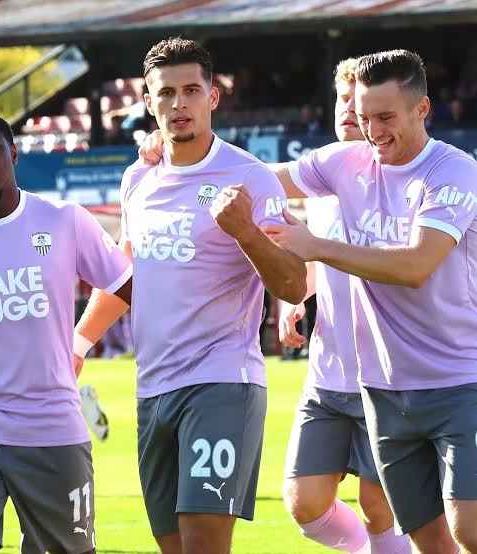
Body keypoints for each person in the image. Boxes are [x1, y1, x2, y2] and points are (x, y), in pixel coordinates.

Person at [74, 37, 306, 554]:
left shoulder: (251, 177)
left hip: (221, 380)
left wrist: (246, 231)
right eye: (166, 93)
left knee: (204, 544)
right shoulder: (138, 177)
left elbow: (292, 283)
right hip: (153, 386)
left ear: (213, 97)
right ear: (148, 100)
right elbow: (127, 274)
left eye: (191, 90)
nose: (179, 104)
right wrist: (78, 343)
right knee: (173, 545)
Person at [265, 50, 477, 554]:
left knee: (469, 528)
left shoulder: (453, 171)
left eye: (385, 117)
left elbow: (416, 267)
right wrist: (176, 155)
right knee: (428, 539)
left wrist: (316, 247)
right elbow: (260, 179)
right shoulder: (344, 162)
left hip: (460, 380)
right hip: (383, 390)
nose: (373, 131)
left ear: (421, 109)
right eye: (364, 118)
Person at [0, 110, 132, 554]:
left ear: (13, 153)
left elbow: (126, 286)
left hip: (51, 428)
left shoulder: (64, 220)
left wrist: (81, 341)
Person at [278, 58, 411, 553]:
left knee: (381, 506)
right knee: (304, 502)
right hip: (328, 371)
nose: (351, 113)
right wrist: (300, 298)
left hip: (387, 375)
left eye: (363, 105)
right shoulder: (319, 172)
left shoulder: (402, 178)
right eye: (343, 101)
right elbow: (314, 246)